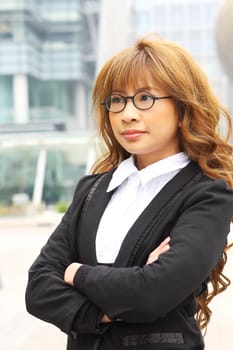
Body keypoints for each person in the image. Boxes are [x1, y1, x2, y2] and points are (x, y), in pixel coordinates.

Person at [25, 35, 233, 350]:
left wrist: (75, 272)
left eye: (145, 98)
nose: (127, 114)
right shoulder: (93, 188)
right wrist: (105, 312)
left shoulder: (208, 194)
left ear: (183, 106)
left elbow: (152, 293)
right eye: (117, 100)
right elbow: (38, 287)